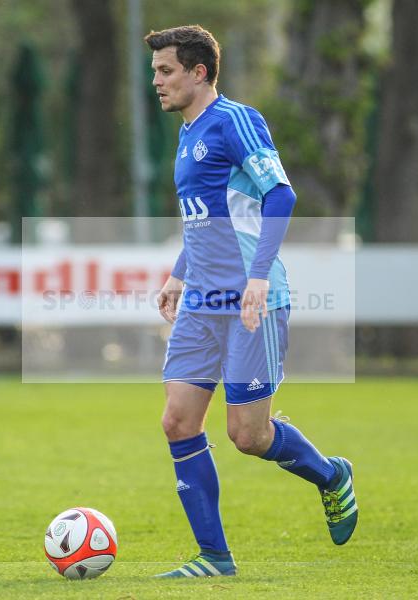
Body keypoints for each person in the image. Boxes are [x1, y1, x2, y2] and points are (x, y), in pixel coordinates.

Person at [146, 26, 358, 579]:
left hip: (248, 301)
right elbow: (208, 218)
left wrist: (258, 277)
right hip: (201, 302)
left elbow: (280, 193)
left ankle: (332, 475)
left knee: (248, 435)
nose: (157, 81)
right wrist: (178, 274)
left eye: (165, 71)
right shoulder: (187, 131)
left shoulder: (235, 120)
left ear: (199, 72)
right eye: (154, 72)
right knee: (177, 421)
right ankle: (214, 558)